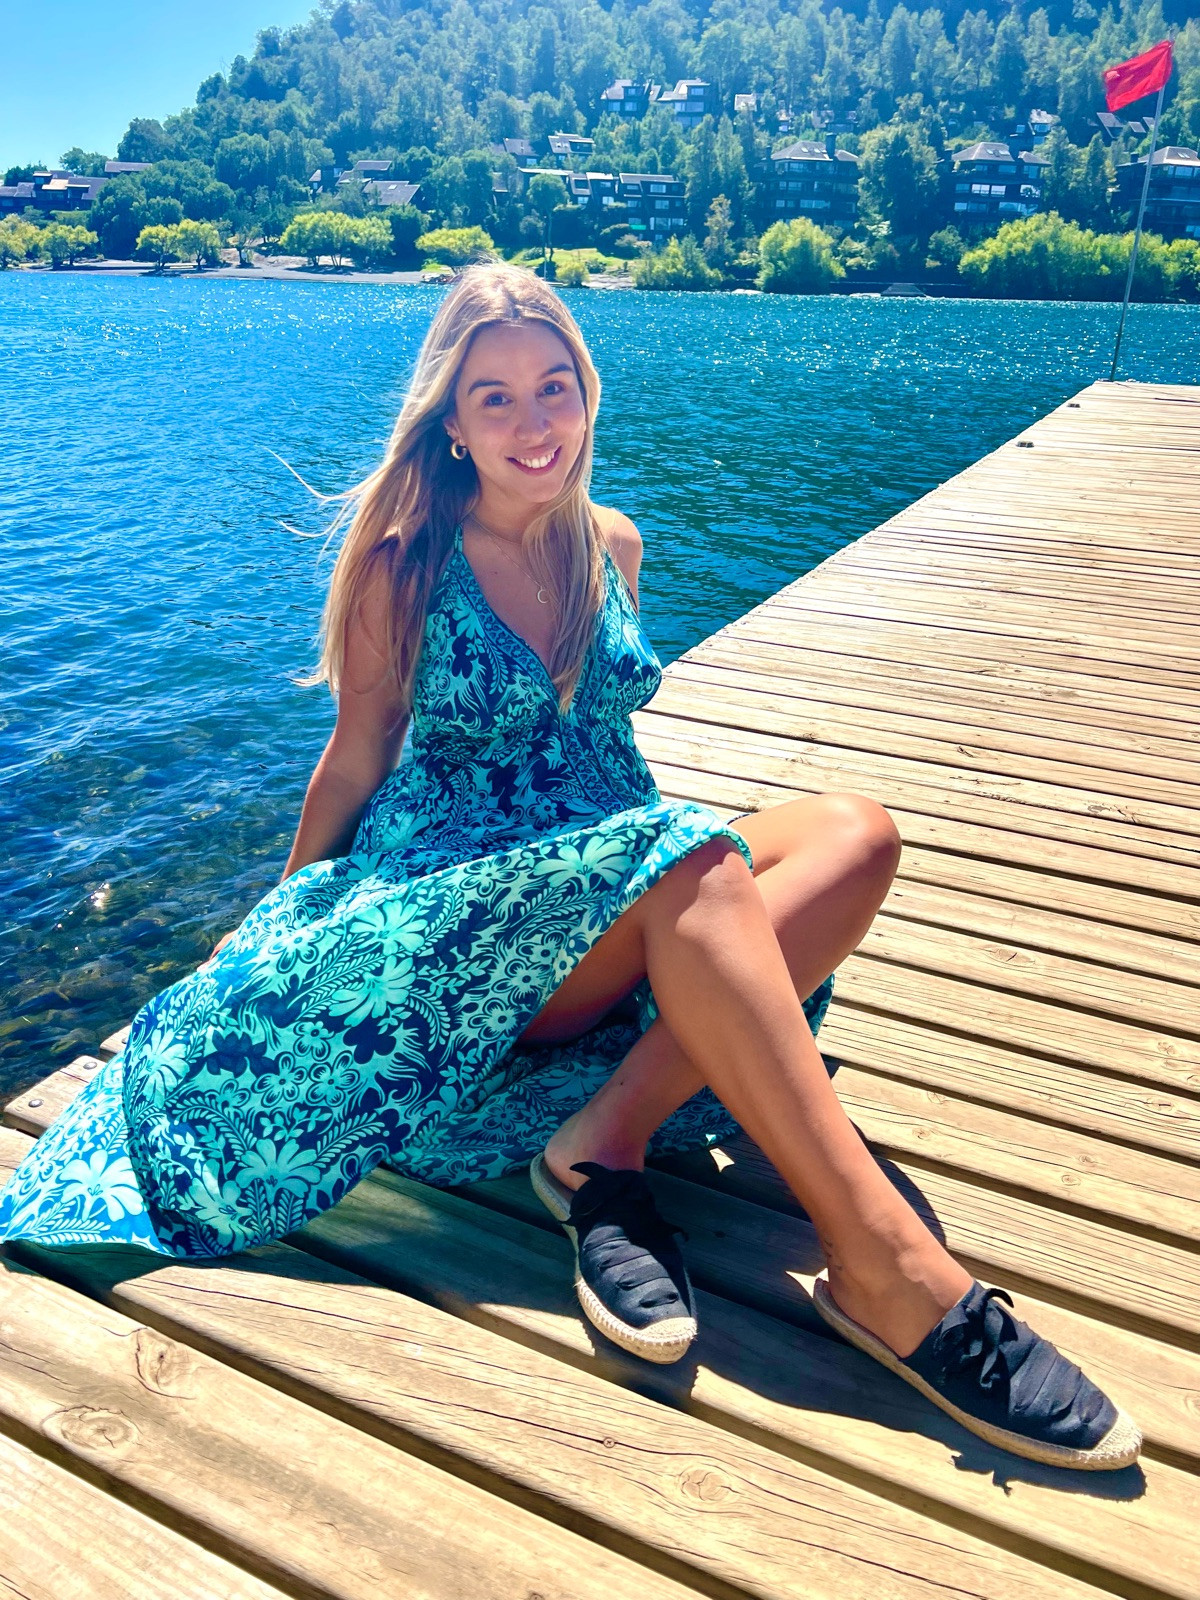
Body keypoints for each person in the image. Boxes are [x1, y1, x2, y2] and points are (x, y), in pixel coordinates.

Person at [0, 262, 1136, 1472]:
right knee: (694, 863)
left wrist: (639, 859)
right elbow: (358, 752)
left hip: (621, 875)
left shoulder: (613, 544)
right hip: (459, 911)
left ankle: (602, 1134)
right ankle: (889, 1270)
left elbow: (599, 744)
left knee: (858, 834)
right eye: (493, 397)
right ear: (451, 421)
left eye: (554, 386)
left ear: (588, 392)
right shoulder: (405, 563)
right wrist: (279, 912)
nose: (533, 421)